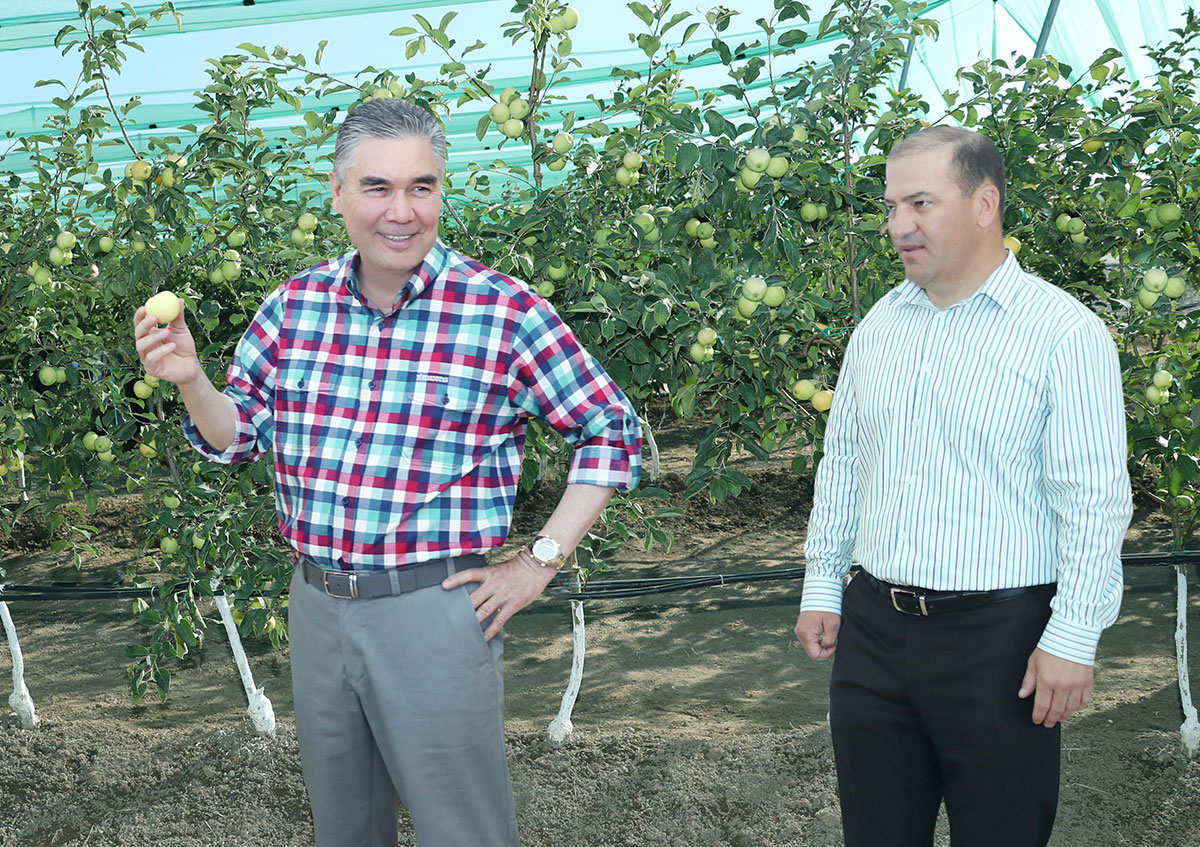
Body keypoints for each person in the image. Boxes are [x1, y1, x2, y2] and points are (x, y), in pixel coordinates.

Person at [133, 98, 642, 847]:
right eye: (377, 187)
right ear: (338, 191)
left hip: (435, 609)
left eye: (420, 187)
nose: (401, 211)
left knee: (461, 829)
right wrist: (192, 382)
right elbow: (238, 436)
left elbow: (610, 429)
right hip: (317, 604)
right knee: (344, 826)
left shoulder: (502, 312)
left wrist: (540, 560)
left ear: (440, 192)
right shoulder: (294, 307)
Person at [794, 126, 1131, 847]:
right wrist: (823, 582)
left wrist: (1073, 635)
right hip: (873, 630)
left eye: (921, 203)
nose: (899, 226)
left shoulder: (1063, 333)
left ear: (985, 204)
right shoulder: (880, 325)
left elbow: (1093, 499)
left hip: (999, 644)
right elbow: (845, 457)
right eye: (891, 207)